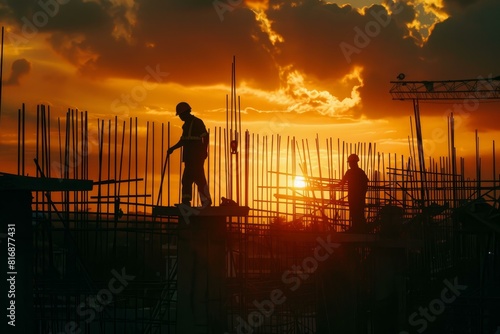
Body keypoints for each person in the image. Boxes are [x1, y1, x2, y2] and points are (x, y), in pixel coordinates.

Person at [167, 102, 212, 207]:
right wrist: (172, 148)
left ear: (185, 113)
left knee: (195, 179)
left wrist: (205, 151)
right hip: (189, 157)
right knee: (190, 180)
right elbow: (183, 141)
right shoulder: (185, 126)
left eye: (181, 115)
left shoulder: (197, 122)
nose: (180, 117)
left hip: (196, 157)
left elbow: (205, 136)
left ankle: (202, 202)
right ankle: (192, 202)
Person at [340, 154, 369, 232]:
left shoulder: (351, 172)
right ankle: (358, 228)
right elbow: (366, 184)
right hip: (358, 197)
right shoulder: (360, 172)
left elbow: (342, 182)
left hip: (355, 197)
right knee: (357, 212)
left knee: (355, 212)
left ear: (354, 163)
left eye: (350, 163)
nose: (349, 164)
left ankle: (358, 228)